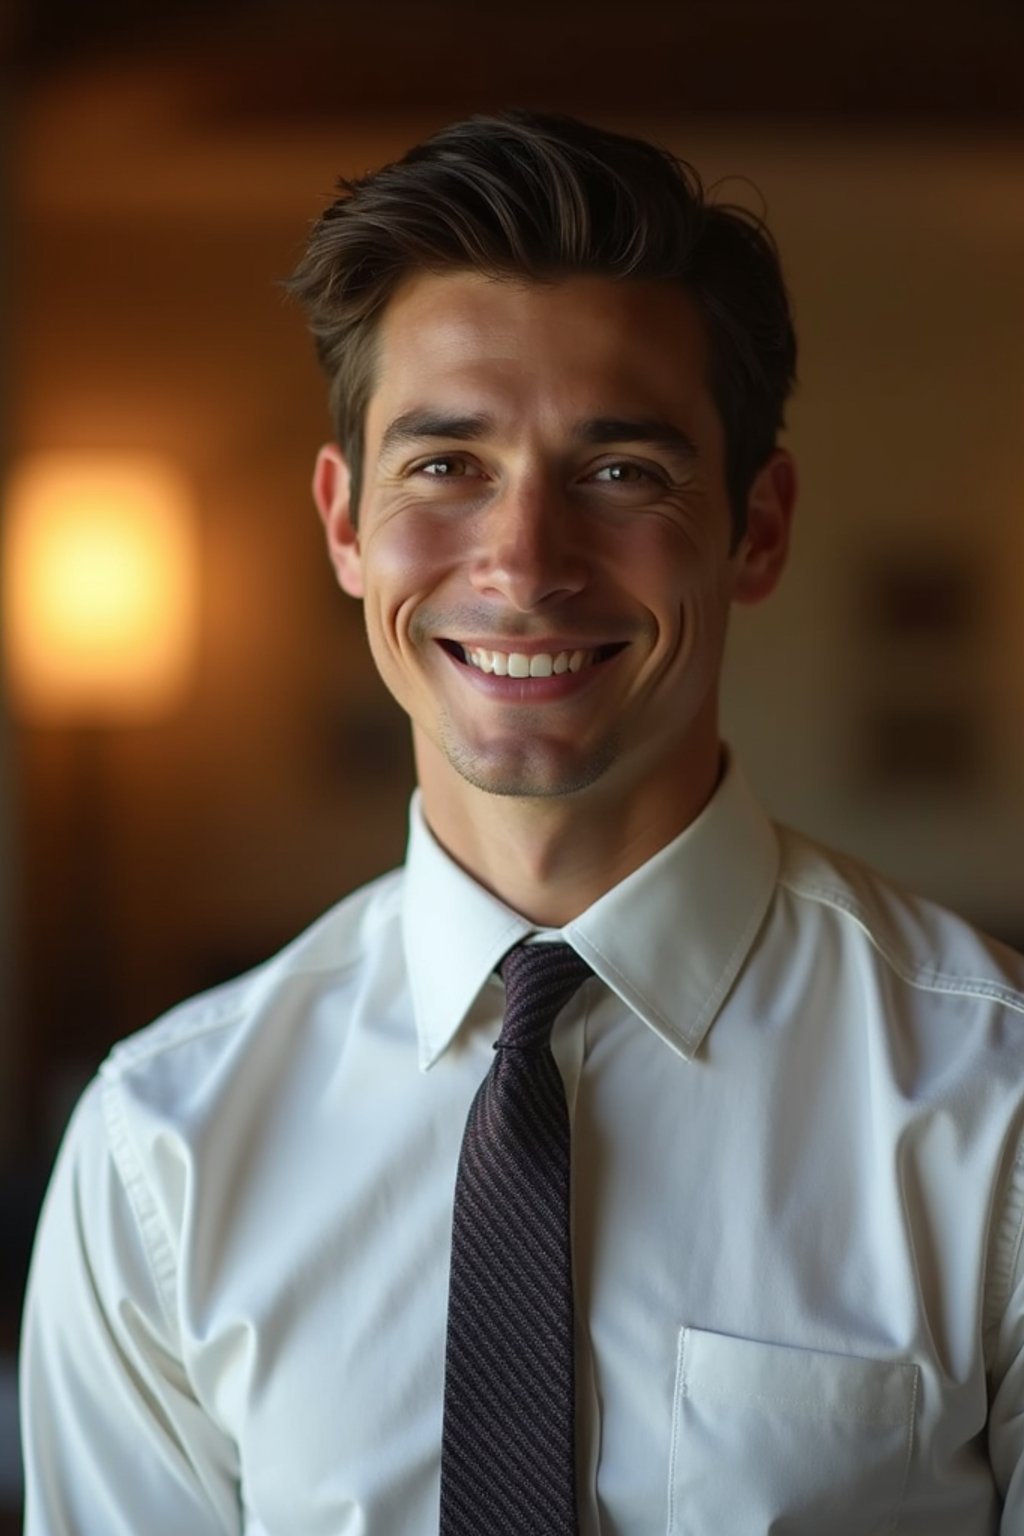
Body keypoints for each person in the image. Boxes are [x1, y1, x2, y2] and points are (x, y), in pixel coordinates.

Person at [18, 111, 1024, 1535]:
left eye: (622, 470)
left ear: (758, 528)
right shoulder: (162, 1153)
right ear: (345, 523)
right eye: (445, 465)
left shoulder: (1000, 1114)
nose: (525, 562)